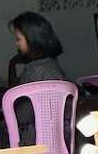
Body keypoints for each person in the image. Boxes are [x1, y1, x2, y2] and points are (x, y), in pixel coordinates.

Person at [5, 12, 69, 146]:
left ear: (32, 39)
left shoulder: (37, 72)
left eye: (18, 39)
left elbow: (21, 115)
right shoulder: (50, 66)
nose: (16, 44)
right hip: (57, 141)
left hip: (34, 141)